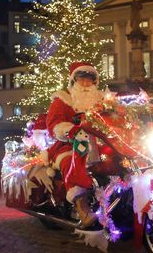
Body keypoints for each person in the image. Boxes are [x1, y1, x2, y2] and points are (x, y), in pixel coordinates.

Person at [46, 61, 105, 227]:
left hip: (101, 143)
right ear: (74, 80)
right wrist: (69, 130)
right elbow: (53, 124)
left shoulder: (102, 100)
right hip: (70, 144)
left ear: (95, 82)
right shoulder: (63, 99)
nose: (86, 83)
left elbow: (114, 116)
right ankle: (82, 207)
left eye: (89, 80)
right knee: (69, 161)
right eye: (82, 79)